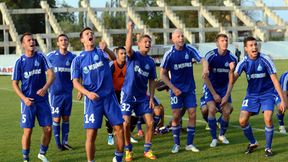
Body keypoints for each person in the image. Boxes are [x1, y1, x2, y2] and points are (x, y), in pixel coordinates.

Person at [71, 27, 124, 162]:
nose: (91, 35)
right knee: (92, 134)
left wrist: (106, 49)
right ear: (82, 40)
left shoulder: (101, 52)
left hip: (109, 97)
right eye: (87, 34)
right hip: (93, 101)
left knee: (119, 129)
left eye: (92, 34)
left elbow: (115, 59)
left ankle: (118, 157)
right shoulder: (78, 60)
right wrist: (87, 93)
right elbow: (76, 82)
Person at [234, 36, 286, 157]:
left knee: (268, 118)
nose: (254, 47)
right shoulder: (243, 62)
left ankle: (268, 148)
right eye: (251, 45)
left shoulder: (265, 59)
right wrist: (231, 72)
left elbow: (275, 80)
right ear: (246, 48)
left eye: (255, 44)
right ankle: (253, 143)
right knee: (242, 121)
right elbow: (232, 80)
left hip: (267, 93)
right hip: (251, 95)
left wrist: (282, 100)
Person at [160, 29, 209, 154]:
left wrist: (205, 69)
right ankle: (176, 144)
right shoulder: (169, 54)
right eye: (178, 36)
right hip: (176, 90)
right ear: (173, 39)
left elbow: (203, 59)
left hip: (189, 89)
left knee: (192, 113)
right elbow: (163, 75)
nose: (181, 38)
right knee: (176, 116)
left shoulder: (190, 49)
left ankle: (189, 144)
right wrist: (173, 88)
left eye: (182, 36)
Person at [12, 32, 55, 162]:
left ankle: (42, 153)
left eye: (33, 40)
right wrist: (24, 99)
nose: (32, 42)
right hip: (28, 102)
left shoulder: (41, 57)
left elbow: (51, 75)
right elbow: (14, 83)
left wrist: (45, 88)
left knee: (48, 129)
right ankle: (26, 158)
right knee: (28, 131)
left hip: (42, 101)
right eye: (29, 40)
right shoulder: (19, 62)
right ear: (23, 44)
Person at [121, 21, 157, 161]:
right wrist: (130, 29)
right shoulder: (133, 56)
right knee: (125, 123)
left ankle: (147, 149)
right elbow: (128, 47)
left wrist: (152, 97)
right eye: (145, 41)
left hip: (142, 97)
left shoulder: (151, 62)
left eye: (149, 42)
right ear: (139, 44)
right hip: (128, 95)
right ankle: (128, 150)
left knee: (150, 122)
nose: (148, 44)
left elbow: (152, 80)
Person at [203, 34, 237, 147]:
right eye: (222, 40)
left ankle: (222, 135)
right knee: (211, 109)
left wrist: (226, 95)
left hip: (224, 88)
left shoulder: (233, 58)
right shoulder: (210, 56)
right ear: (217, 43)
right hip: (211, 87)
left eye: (226, 40)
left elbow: (232, 80)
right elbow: (205, 77)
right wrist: (214, 94)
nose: (225, 42)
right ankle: (213, 138)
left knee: (227, 111)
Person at [46, 34, 76, 151]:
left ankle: (65, 142)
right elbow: (44, 71)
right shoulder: (51, 56)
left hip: (68, 93)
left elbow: (77, 74)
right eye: (61, 40)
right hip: (55, 93)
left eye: (65, 40)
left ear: (68, 43)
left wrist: (79, 89)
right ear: (58, 43)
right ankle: (58, 144)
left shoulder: (73, 57)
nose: (63, 42)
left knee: (66, 117)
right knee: (56, 119)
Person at [105, 46, 138, 145]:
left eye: (125, 53)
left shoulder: (129, 64)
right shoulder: (112, 65)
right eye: (121, 53)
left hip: (126, 93)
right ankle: (110, 135)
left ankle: (128, 134)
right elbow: (107, 80)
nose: (124, 55)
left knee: (134, 114)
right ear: (117, 55)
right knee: (111, 115)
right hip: (114, 93)